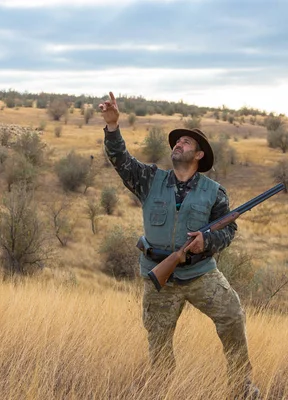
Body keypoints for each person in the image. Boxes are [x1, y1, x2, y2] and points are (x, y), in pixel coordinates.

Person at [99, 92, 260, 399]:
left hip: (201, 273)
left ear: (199, 155)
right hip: (160, 276)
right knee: (158, 340)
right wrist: (112, 126)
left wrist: (206, 242)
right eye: (177, 141)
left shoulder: (214, 192)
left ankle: (241, 388)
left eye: (186, 143)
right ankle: (162, 391)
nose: (179, 144)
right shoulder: (149, 179)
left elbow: (228, 230)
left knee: (232, 317)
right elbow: (120, 160)